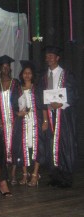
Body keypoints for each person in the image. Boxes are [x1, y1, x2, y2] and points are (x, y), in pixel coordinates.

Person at [40, 46, 78, 188]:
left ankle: (66, 178)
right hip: (50, 115)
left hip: (64, 115)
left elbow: (74, 95)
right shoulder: (44, 77)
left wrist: (61, 104)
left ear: (57, 58)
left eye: (52, 56)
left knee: (65, 145)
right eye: (47, 56)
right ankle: (54, 176)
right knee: (51, 144)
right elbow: (41, 97)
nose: (48, 58)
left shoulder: (67, 74)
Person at [12, 60, 48, 187]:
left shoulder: (37, 88)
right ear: (21, 75)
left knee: (38, 146)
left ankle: (35, 174)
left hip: (35, 120)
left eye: (29, 73)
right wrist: (17, 113)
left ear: (32, 75)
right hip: (22, 122)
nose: (27, 75)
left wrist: (45, 120)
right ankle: (25, 174)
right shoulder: (17, 89)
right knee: (23, 147)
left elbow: (43, 106)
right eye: (25, 73)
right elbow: (13, 105)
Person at [0, 55, 20, 185]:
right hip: (1, 121)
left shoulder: (16, 83)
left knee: (14, 145)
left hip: (14, 120)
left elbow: (22, 101)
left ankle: (13, 173)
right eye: (3, 67)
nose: (5, 69)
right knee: (2, 146)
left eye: (7, 67)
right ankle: (3, 173)